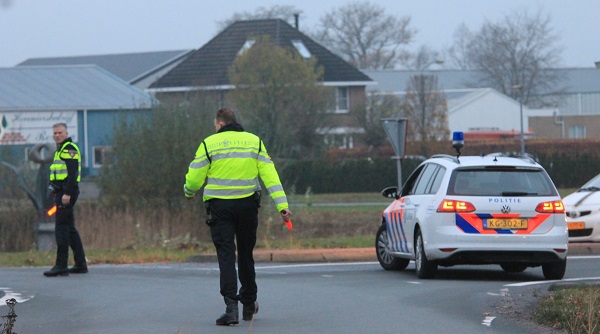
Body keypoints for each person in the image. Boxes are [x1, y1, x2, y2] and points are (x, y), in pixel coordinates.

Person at [184, 108, 291, 326]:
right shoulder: (254, 142)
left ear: (220, 124)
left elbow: (194, 179)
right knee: (245, 253)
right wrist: (283, 207)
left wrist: (188, 191)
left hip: (220, 208)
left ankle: (231, 308)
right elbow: (270, 176)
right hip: (247, 206)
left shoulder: (209, 144)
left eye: (215, 125)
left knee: (226, 255)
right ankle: (249, 304)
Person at [43, 123, 88, 277]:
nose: (57, 135)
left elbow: (73, 173)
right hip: (61, 191)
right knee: (69, 228)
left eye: (60, 132)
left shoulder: (69, 149)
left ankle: (61, 265)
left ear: (66, 133)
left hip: (67, 193)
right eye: (54, 133)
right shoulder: (60, 150)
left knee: (61, 228)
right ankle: (81, 264)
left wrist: (67, 193)